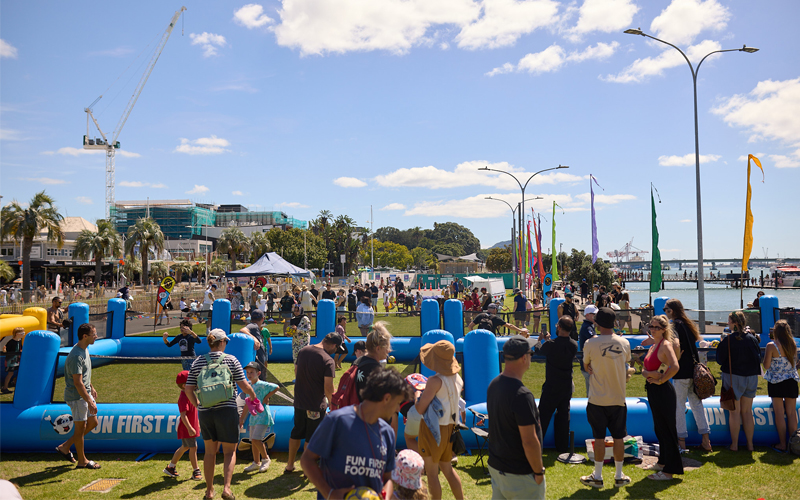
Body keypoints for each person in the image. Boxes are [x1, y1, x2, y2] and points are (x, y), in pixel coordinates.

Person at [301, 366, 413, 500]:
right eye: (398, 403)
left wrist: (385, 496)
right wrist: (329, 493)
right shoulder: (337, 421)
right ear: (387, 398)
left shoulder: (387, 433)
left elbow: (388, 478)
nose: (398, 409)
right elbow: (307, 460)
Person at [184, 329, 258, 500]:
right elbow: (244, 386)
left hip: (206, 412)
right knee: (229, 452)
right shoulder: (231, 360)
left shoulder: (198, 362)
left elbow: (188, 389)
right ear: (222, 342)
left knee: (210, 452)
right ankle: (226, 489)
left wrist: (198, 405)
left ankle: (209, 491)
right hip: (227, 411)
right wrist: (253, 396)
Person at [487, 335, 545, 500]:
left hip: (497, 467)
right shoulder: (522, 395)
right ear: (524, 358)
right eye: (531, 353)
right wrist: (538, 471)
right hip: (519, 474)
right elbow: (529, 440)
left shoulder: (494, 384)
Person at [580, 307, 632, 489]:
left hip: (597, 399)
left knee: (599, 438)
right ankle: (618, 476)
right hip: (618, 398)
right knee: (619, 438)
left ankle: (598, 476)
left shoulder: (590, 343)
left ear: (597, 322)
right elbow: (626, 362)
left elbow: (586, 365)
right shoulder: (624, 342)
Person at [284, 332, 340, 474]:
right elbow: (328, 387)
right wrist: (332, 404)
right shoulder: (328, 360)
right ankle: (307, 468)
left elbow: (296, 371)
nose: (335, 351)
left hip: (299, 401)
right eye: (336, 348)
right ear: (334, 345)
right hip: (315, 404)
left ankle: (290, 464)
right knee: (312, 436)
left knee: (296, 432)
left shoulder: (304, 350)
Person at [415, 340, 464, 500]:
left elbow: (420, 408)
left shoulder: (435, 381)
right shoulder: (458, 379)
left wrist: (416, 394)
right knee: (447, 469)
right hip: (450, 428)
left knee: (431, 473)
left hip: (432, 430)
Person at [664, 298, 712, 452]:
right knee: (697, 404)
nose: (665, 312)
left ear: (672, 310)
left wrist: (675, 358)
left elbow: (676, 344)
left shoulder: (674, 326)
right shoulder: (688, 325)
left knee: (679, 406)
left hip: (681, 371)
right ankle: (706, 440)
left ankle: (681, 442)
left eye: (666, 310)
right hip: (694, 370)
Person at [641, 315, 683, 480]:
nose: (652, 329)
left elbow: (675, 366)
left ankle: (669, 471)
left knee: (667, 430)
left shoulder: (665, 344)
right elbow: (650, 368)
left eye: (656, 327)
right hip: (653, 390)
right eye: (651, 326)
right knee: (659, 428)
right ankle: (663, 462)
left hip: (663, 391)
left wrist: (661, 380)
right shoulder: (654, 345)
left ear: (664, 329)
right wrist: (650, 374)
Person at [56, 323, 100, 469]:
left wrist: (91, 387)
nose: (96, 336)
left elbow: (83, 375)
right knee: (80, 429)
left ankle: (65, 446)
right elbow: (77, 382)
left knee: (93, 422)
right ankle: (82, 461)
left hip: (85, 393)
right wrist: (89, 401)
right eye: (94, 334)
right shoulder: (76, 356)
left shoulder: (84, 349)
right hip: (77, 396)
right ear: (85, 336)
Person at [717, 310, 761, 452]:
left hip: (734, 377)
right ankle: (750, 445)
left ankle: (734, 445)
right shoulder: (752, 339)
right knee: (747, 412)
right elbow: (758, 358)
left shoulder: (728, 340)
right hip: (751, 378)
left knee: (735, 413)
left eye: (729, 321)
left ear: (735, 323)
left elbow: (719, 360)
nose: (728, 323)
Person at [535, 316, 578, 453]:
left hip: (552, 385)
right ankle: (562, 447)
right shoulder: (574, 344)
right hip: (566, 385)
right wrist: (548, 340)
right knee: (563, 416)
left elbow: (539, 351)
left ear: (558, 327)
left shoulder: (551, 345)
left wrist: (540, 340)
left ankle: (537, 445)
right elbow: (558, 347)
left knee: (543, 416)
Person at [763, 319, 799, 453]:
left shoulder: (771, 346)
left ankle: (782, 444)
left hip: (776, 382)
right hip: (791, 381)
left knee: (779, 413)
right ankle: (794, 444)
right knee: (791, 413)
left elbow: (766, 366)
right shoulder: (793, 344)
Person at [239, 361, 279, 472]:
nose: (249, 374)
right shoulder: (249, 386)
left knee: (256, 440)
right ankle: (256, 462)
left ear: (259, 373)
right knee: (253, 441)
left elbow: (276, 387)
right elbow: (247, 404)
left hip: (263, 416)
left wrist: (266, 397)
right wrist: (242, 418)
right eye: (247, 372)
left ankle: (266, 459)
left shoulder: (262, 384)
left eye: (252, 372)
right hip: (254, 418)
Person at [163, 370, 202, 480]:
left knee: (185, 447)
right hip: (186, 427)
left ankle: (171, 467)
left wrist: (197, 424)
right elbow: (183, 415)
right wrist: (190, 428)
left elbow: (197, 407)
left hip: (191, 426)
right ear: (184, 385)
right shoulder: (183, 398)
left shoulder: (191, 394)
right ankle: (196, 471)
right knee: (193, 447)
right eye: (192, 381)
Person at [240, 310, 269, 380]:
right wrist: (254, 339)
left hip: (259, 365)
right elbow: (242, 330)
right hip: (257, 365)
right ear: (262, 319)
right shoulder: (253, 325)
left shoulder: (256, 327)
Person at [578, 305, 597, 396]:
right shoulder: (587, 327)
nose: (596, 317)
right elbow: (595, 340)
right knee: (591, 391)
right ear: (587, 315)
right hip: (588, 363)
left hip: (589, 361)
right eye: (594, 315)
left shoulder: (589, 326)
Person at [2, 327, 25, 394]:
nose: (23, 334)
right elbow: (6, 351)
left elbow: (20, 349)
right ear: (17, 334)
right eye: (22, 333)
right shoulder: (11, 342)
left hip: (17, 359)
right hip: (11, 360)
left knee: (19, 372)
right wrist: (4, 350)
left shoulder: (20, 340)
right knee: (10, 373)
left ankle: (14, 383)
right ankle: (5, 387)